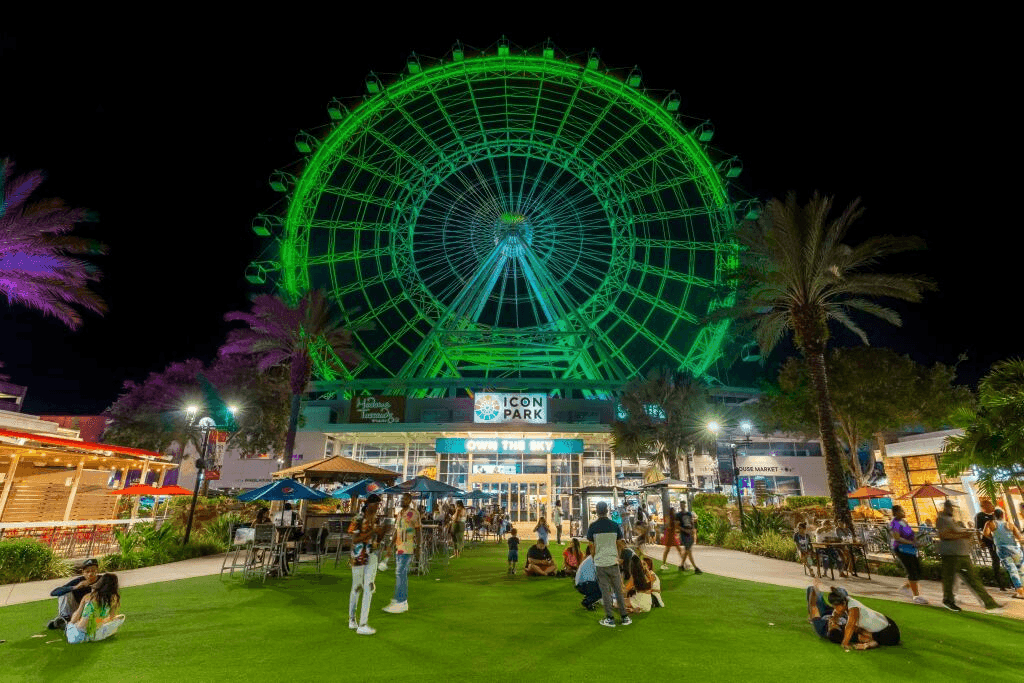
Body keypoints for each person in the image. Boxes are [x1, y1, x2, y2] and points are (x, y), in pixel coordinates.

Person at [937, 499, 1002, 612]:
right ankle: (948, 600)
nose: (953, 510)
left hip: (961, 553)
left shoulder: (951, 520)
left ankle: (989, 603)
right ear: (946, 508)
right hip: (951, 555)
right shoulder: (942, 519)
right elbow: (944, 535)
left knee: (972, 579)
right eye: (951, 507)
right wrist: (964, 534)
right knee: (951, 579)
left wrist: (965, 533)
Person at [587, 500, 630, 627]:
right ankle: (624, 617)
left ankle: (610, 618)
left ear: (597, 511)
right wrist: (621, 557)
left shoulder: (593, 527)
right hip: (613, 561)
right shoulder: (614, 525)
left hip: (600, 563)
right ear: (607, 511)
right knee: (618, 590)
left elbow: (591, 547)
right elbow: (621, 543)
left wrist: (595, 558)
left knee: (605, 592)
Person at [348, 493, 384, 635]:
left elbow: (377, 538)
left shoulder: (376, 519)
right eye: (376, 505)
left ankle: (363, 623)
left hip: (372, 555)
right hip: (358, 555)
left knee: (369, 587)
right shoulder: (358, 518)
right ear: (369, 504)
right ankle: (352, 619)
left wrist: (381, 532)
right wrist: (372, 532)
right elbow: (355, 540)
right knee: (357, 587)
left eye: (379, 505)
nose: (378, 508)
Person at [826, 586, 901, 650]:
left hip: (889, 634)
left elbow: (850, 626)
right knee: (852, 629)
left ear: (843, 603)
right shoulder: (847, 600)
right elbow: (836, 614)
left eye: (836, 606)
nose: (834, 608)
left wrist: (845, 643)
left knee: (841, 633)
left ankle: (870, 642)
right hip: (887, 624)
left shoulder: (853, 608)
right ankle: (870, 641)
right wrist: (834, 619)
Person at [383, 492, 420, 614]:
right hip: (399, 547)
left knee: (400, 572)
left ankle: (401, 601)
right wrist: (391, 545)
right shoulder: (399, 514)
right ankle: (399, 600)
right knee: (400, 573)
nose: (402, 500)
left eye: (405, 499)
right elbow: (397, 531)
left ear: (409, 500)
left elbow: (418, 530)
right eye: (401, 498)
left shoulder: (412, 513)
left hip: (407, 547)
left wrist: (419, 546)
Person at [65, 573, 121, 644]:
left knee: (70, 623)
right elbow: (112, 617)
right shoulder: (114, 599)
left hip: (78, 636)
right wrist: (102, 621)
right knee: (114, 620)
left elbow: (74, 618)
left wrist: (71, 623)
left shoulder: (89, 597)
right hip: (95, 635)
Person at [888, 505, 928, 604]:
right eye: (902, 511)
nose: (904, 512)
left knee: (917, 570)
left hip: (910, 549)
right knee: (912, 571)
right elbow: (897, 537)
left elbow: (911, 534)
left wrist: (916, 543)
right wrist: (911, 543)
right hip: (901, 549)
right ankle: (916, 596)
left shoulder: (904, 522)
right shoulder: (894, 523)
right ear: (896, 512)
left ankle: (906, 588)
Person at [47, 558, 101, 630]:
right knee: (65, 592)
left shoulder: (104, 580)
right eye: (87, 571)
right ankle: (64, 619)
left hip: (94, 608)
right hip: (78, 608)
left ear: (97, 571)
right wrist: (75, 587)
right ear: (83, 573)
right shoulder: (78, 581)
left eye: (93, 571)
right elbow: (54, 593)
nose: (90, 574)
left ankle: (64, 623)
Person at [983, 508, 1024, 600]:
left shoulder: (990, 523)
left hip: (1002, 549)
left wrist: (995, 538)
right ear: (1003, 515)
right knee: (1021, 570)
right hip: (1014, 548)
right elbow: (1020, 537)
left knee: (1012, 570)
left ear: (994, 515)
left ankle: (1020, 592)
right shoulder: (1010, 524)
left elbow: (985, 534)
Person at [975, 499, 1007, 591]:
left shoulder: (995, 515)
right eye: (988, 505)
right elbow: (978, 530)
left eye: (991, 505)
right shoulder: (980, 516)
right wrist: (980, 542)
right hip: (991, 542)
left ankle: (1008, 582)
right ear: (983, 507)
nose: (991, 506)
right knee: (996, 561)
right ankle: (1001, 584)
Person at [676, 501, 703, 574]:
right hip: (684, 534)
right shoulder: (678, 515)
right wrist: (684, 530)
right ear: (680, 506)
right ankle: (695, 568)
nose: (682, 506)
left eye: (683, 505)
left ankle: (681, 565)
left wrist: (692, 530)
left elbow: (692, 523)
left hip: (689, 533)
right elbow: (677, 525)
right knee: (689, 551)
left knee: (687, 550)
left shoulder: (689, 514)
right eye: (681, 505)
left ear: (685, 505)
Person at [575, 544, 601, 610]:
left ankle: (589, 601)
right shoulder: (596, 559)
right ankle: (587, 601)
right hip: (584, 584)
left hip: (581, 584)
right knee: (604, 588)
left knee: (601, 586)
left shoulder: (590, 558)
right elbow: (600, 576)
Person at [660, 507, 684, 571]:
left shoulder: (672, 518)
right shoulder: (669, 518)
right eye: (673, 511)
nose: (674, 512)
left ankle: (683, 563)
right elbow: (669, 526)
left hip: (671, 534)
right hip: (669, 535)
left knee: (677, 549)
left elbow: (673, 527)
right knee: (668, 550)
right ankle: (663, 564)